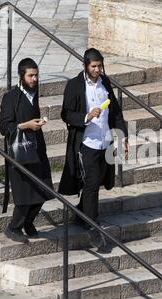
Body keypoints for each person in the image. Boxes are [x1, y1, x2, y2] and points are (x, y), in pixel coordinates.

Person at [58, 48, 128, 229]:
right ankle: (92, 224)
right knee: (92, 182)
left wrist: (122, 137)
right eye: (94, 66)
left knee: (99, 180)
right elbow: (66, 114)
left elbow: (116, 113)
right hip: (87, 143)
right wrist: (86, 117)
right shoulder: (74, 85)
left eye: (100, 66)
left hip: (105, 142)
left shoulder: (105, 82)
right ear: (85, 66)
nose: (97, 70)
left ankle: (80, 214)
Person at [0, 58, 54, 244]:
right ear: (21, 76)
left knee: (44, 188)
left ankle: (29, 222)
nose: (35, 79)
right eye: (31, 75)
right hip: (20, 152)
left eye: (36, 75)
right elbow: (4, 127)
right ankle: (14, 227)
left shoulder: (34, 93)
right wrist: (26, 125)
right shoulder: (11, 98)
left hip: (37, 148)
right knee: (24, 194)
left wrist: (37, 123)